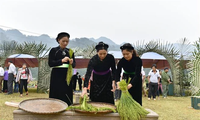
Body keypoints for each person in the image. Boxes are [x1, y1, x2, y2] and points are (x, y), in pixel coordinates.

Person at [48, 32, 76, 105]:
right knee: (56, 91)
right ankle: (55, 106)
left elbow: (74, 65)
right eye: (63, 41)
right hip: (56, 74)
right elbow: (50, 63)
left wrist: (71, 62)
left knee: (67, 91)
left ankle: (67, 106)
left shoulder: (70, 52)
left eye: (67, 41)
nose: (65, 43)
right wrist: (61, 61)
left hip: (67, 75)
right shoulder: (54, 50)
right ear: (58, 40)